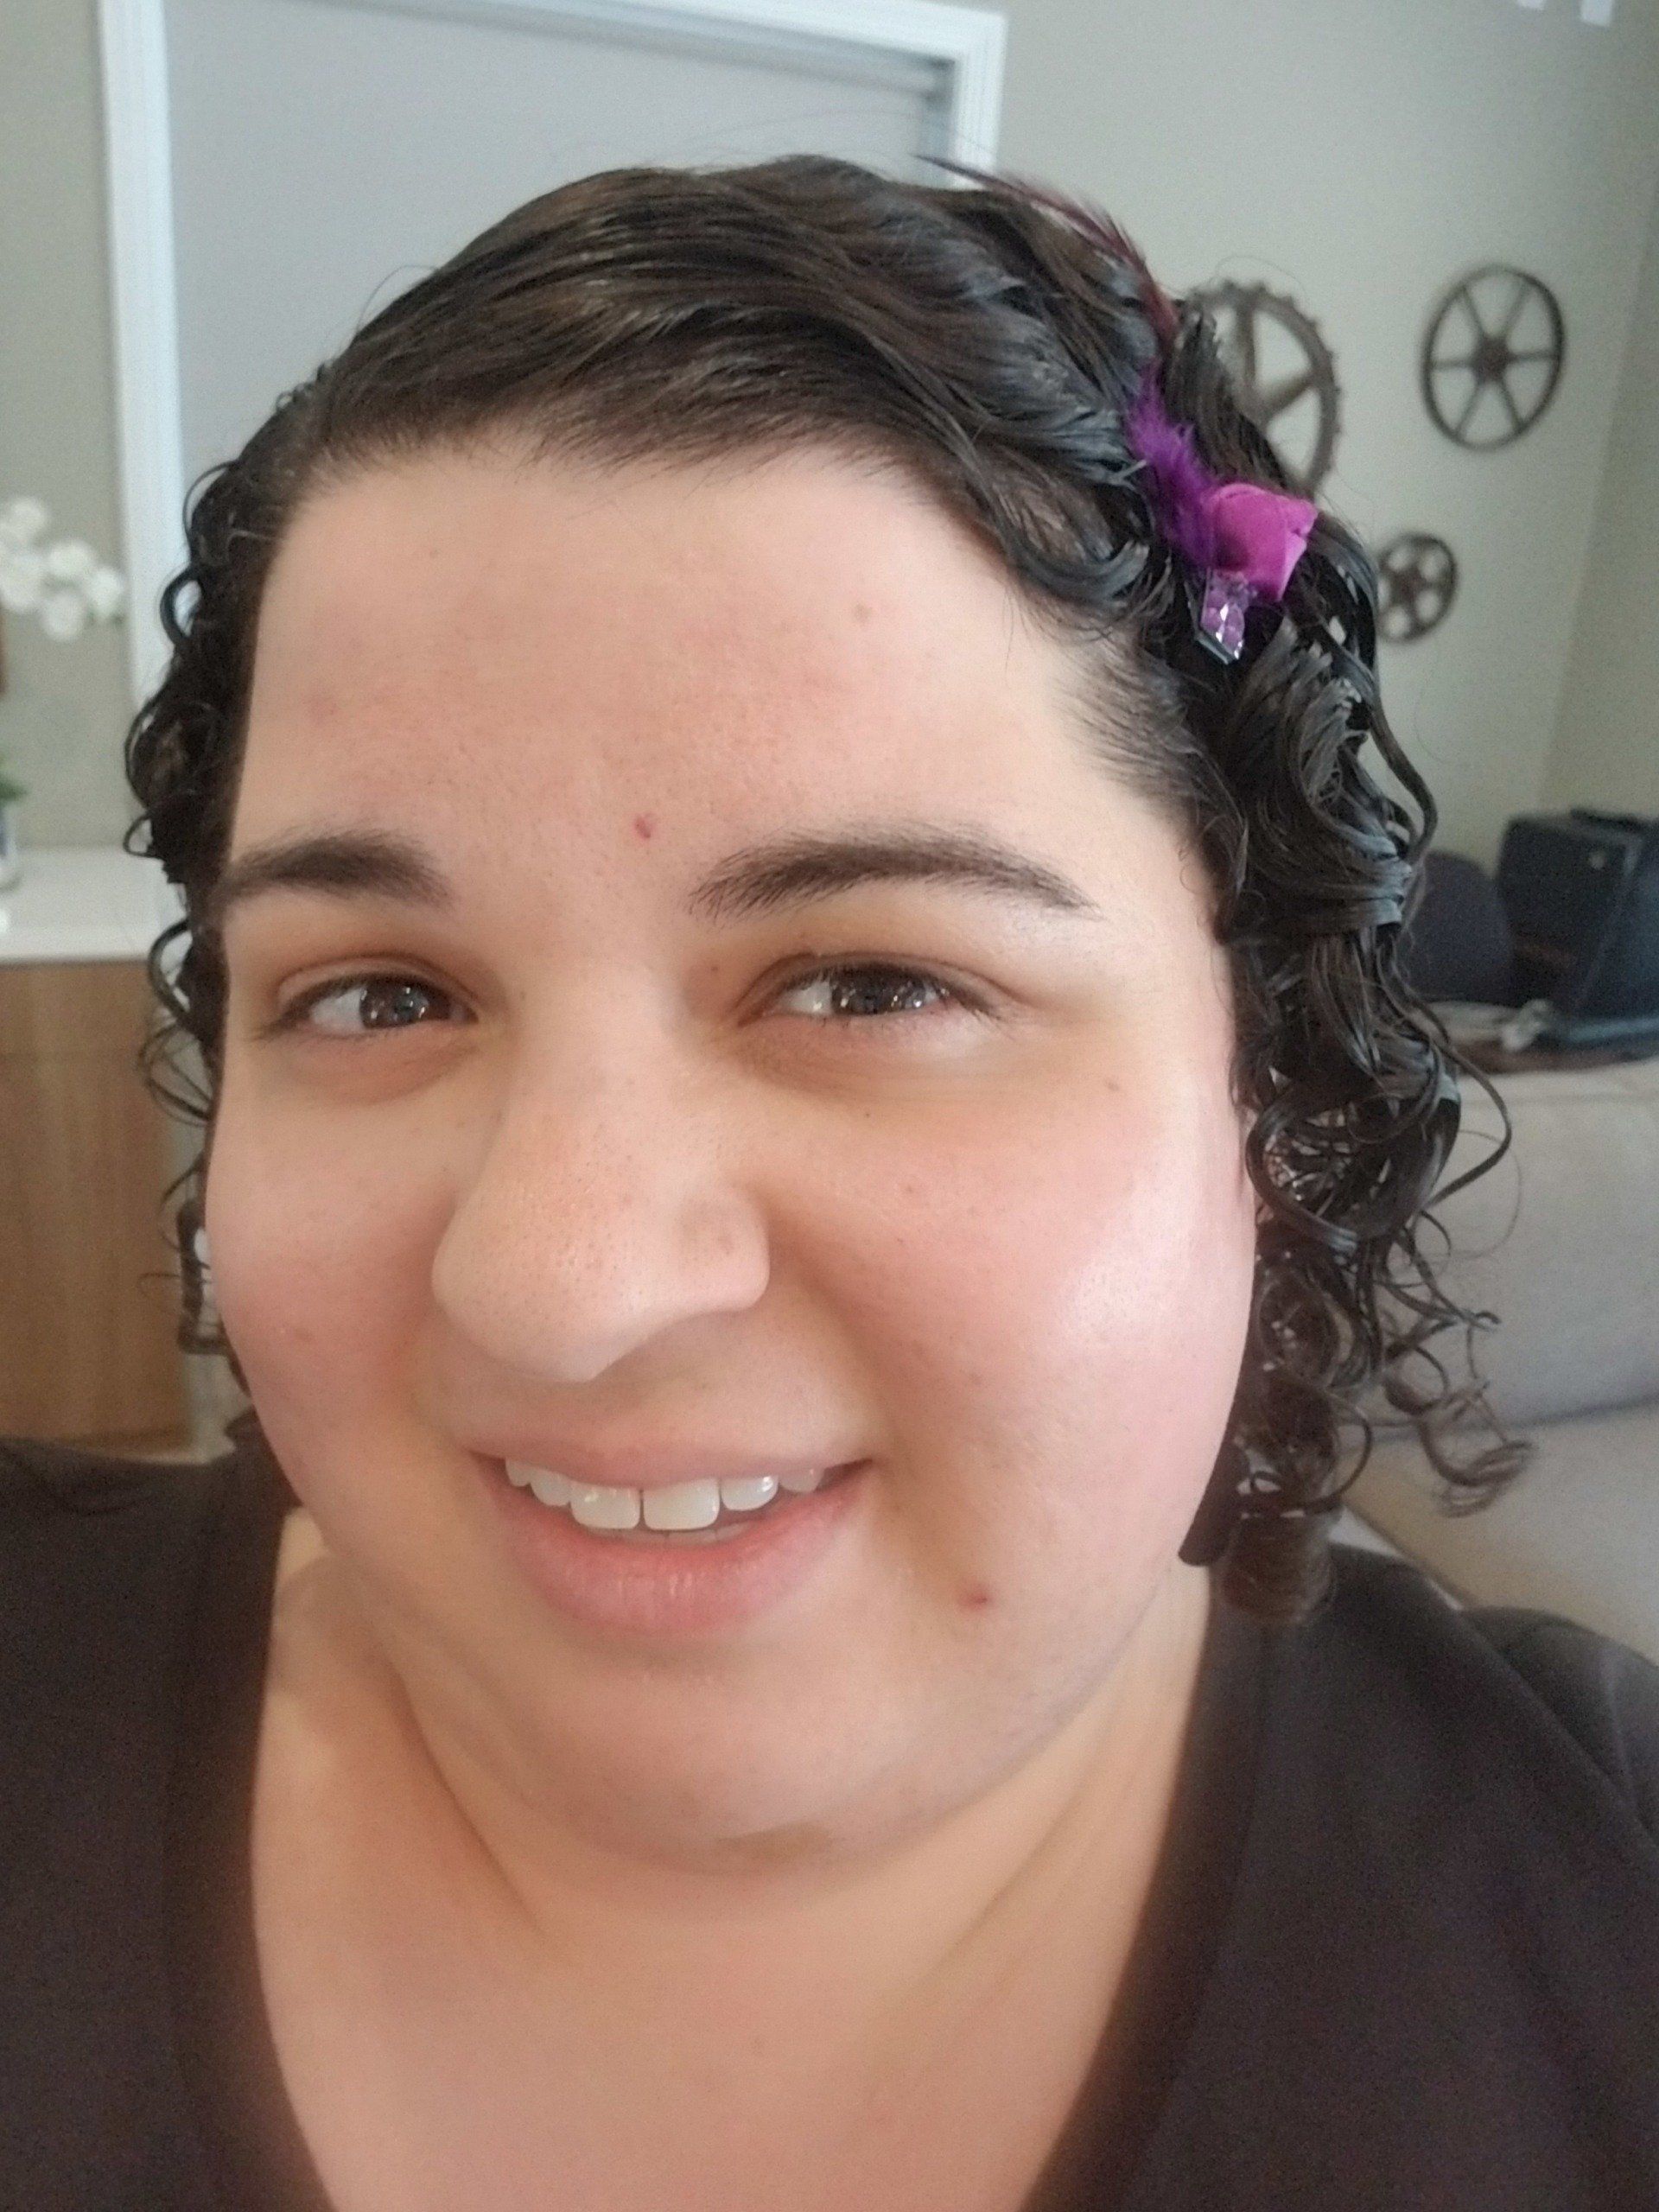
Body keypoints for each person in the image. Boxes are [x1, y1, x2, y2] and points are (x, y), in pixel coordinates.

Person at [3, 156, 1655, 2212]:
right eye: (380, 992)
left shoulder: (1599, 1912)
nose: (560, 1279)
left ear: (1275, 1091)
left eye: (871, 977)